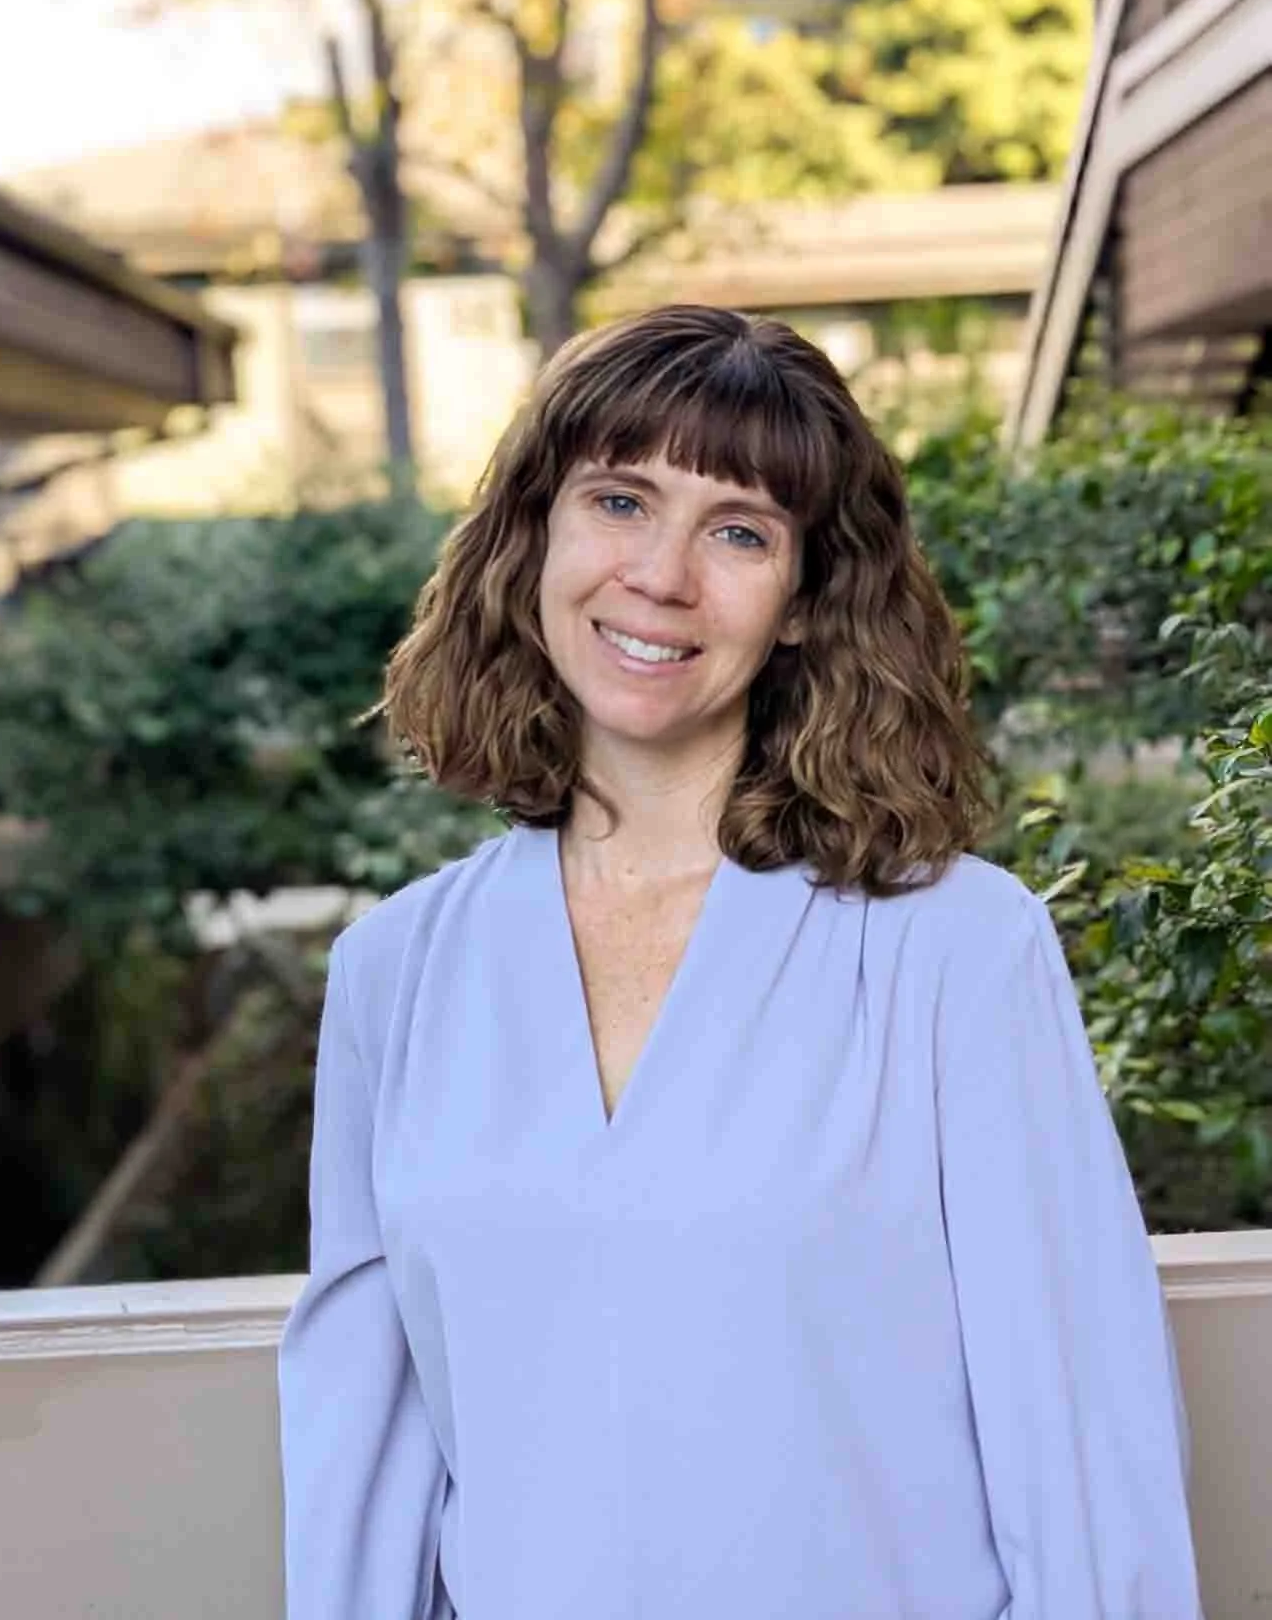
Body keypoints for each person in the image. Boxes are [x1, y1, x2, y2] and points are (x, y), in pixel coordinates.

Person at [277, 304, 1204, 1619]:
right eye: (619, 501)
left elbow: (1080, 1439)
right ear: (533, 536)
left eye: (739, 531)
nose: (661, 575)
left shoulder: (953, 949)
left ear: (806, 601)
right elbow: (366, 1461)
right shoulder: (397, 973)